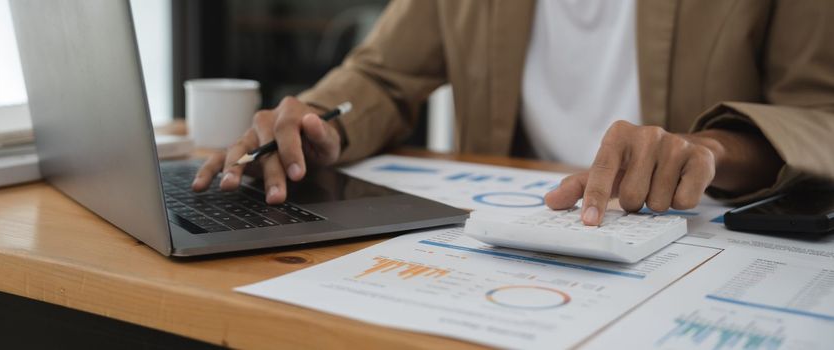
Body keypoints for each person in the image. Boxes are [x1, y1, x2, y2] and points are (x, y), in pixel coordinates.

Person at [193, 0, 834, 226]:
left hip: (690, 240)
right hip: (522, 239)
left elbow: (817, 112)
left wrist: (710, 150)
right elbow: (382, 76)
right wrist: (319, 125)